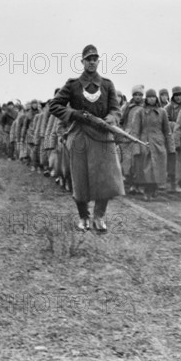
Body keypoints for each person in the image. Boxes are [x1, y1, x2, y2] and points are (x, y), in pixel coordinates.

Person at [48, 44, 124, 233]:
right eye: (88, 59)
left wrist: (108, 120)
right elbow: (55, 105)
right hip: (80, 136)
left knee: (105, 178)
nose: (91, 62)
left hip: (103, 136)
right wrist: (74, 114)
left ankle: (99, 216)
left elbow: (116, 109)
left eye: (94, 59)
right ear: (82, 61)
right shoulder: (72, 84)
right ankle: (84, 217)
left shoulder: (107, 84)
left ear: (98, 61)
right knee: (80, 178)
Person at [131, 89, 175, 201]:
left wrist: (171, 147)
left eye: (153, 97)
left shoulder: (162, 112)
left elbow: (167, 131)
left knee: (158, 168)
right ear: (146, 99)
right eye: (149, 97)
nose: (151, 99)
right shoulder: (140, 112)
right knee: (146, 169)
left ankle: (154, 187)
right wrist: (136, 147)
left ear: (156, 98)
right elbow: (135, 131)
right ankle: (147, 191)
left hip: (159, 143)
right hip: (144, 143)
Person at [120, 85, 144, 194]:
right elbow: (120, 120)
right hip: (127, 137)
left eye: (140, 95)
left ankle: (138, 185)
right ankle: (130, 184)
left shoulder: (145, 107)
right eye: (135, 95)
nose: (138, 97)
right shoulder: (127, 107)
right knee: (128, 162)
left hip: (140, 137)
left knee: (139, 162)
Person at [164, 86, 181, 192]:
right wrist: (175, 125)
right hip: (172, 136)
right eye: (176, 95)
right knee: (172, 159)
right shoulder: (168, 108)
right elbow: (164, 121)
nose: (178, 98)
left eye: (180, 95)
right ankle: (172, 182)